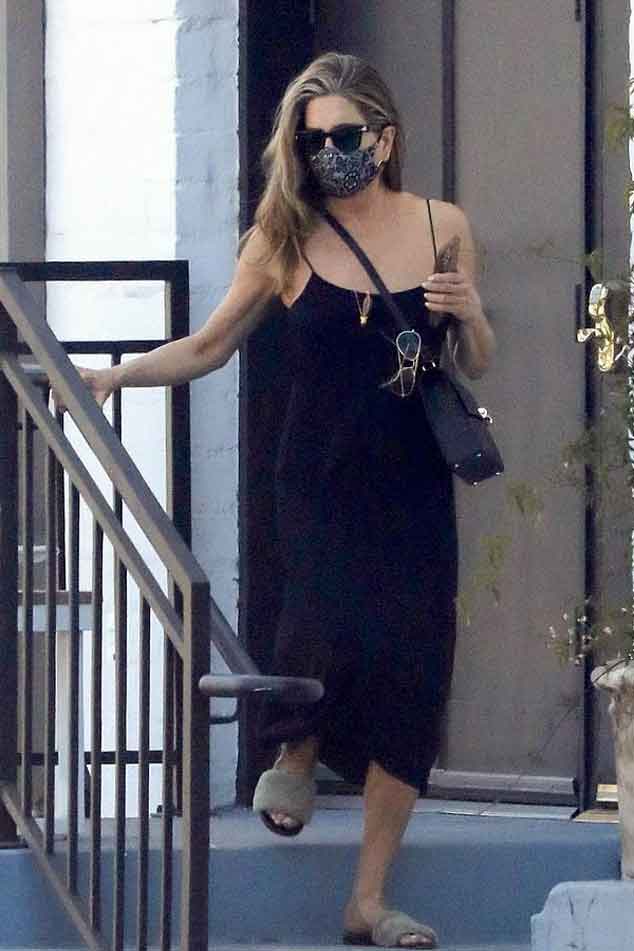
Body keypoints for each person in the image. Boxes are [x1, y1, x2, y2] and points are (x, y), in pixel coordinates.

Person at [61, 51, 495, 951]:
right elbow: (210, 344)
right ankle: (294, 747)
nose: (330, 152)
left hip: (411, 479)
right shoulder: (284, 238)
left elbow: (474, 359)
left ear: (385, 138)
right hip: (320, 476)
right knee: (324, 622)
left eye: (345, 135)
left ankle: (368, 899)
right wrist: (117, 374)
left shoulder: (442, 224)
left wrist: (472, 312)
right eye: (312, 139)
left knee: (414, 666)